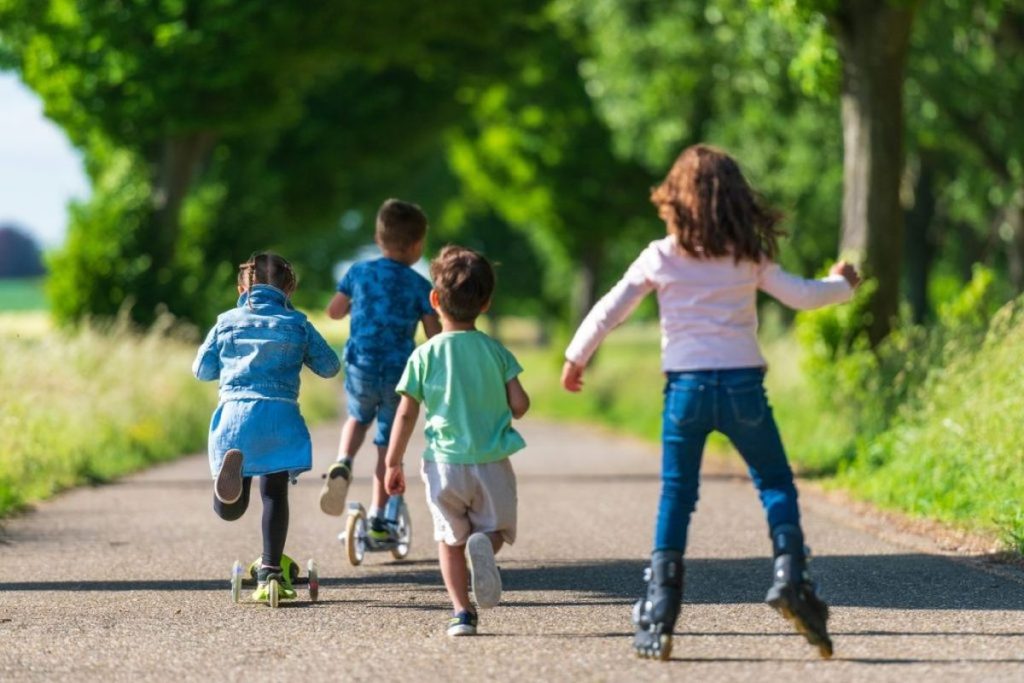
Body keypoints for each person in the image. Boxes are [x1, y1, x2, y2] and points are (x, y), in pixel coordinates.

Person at [561, 144, 860, 660]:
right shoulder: (748, 255)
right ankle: (791, 574)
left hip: (686, 390)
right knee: (774, 483)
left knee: (677, 495)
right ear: (736, 199)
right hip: (743, 387)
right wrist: (843, 284)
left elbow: (612, 308)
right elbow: (804, 296)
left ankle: (661, 605)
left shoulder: (660, 255)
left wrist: (576, 356)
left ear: (675, 199)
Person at [383, 245, 529, 637]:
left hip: (443, 464)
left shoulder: (424, 354)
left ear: (434, 300)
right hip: (492, 461)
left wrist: (392, 462)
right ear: (486, 303)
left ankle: (461, 613)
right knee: (494, 528)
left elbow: (406, 413)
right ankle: (484, 544)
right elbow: (520, 404)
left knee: (449, 541)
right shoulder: (495, 351)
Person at [193, 252, 340, 602]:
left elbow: (201, 370)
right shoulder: (297, 323)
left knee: (233, 508)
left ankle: (224, 493)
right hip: (279, 417)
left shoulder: (226, 321)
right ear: (288, 288)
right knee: (274, 494)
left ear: (243, 286)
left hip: (234, 417)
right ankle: (271, 570)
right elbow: (331, 366)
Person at [318, 199, 441, 541]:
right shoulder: (419, 286)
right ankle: (378, 518)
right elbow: (434, 336)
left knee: (357, 417)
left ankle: (343, 460)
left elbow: (334, 311)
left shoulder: (358, 272)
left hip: (361, 364)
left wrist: (360, 305)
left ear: (378, 236)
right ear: (417, 246)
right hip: (399, 373)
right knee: (387, 444)